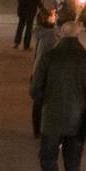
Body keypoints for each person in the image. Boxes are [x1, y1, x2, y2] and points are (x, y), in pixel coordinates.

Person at [31, 21, 86, 171]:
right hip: (78, 119)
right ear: (77, 36)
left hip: (52, 118)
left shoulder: (49, 57)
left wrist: (46, 102)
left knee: (47, 159)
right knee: (73, 166)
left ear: (61, 35)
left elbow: (35, 89)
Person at [31, 7, 59, 137]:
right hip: (45, 74)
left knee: (38, 102)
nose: (54, 18)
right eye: (52, 16)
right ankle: (43, 128)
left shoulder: (40, 33)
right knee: (44, 102)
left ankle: (37, 129)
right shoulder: (50, 37)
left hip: (36, 71)